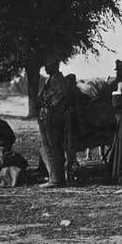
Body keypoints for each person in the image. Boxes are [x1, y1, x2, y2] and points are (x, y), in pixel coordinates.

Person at [37, 59, 71, 188]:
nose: (45, 67)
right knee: (50, 147)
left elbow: (59, 99)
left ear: (55, 66)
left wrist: (48, 105)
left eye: (48, 65)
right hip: (47, 117)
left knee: (52, 148)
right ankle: (56, 178)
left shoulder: (58, 81)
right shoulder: (52, 79)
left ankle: (56, 180)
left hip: (51, 118)